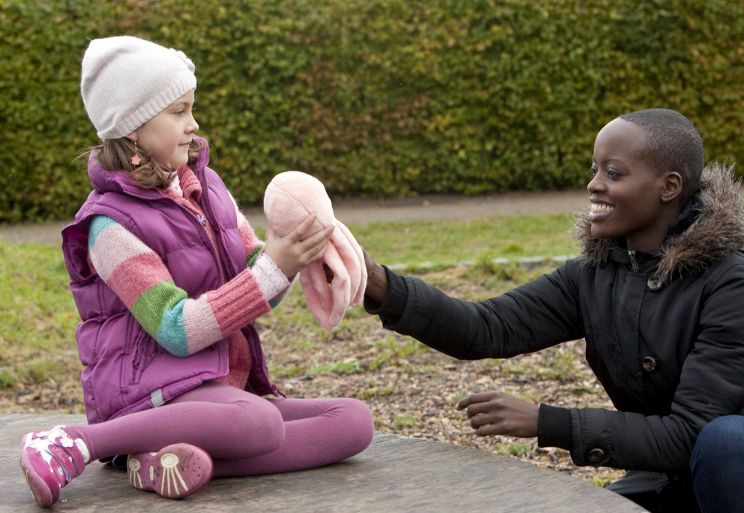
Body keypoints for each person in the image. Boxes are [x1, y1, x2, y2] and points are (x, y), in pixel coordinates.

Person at [19, 35, 374, 508]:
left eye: (192, 108)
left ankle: (159, 460)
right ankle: (77, 443)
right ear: (133, 129)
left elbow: (256, 273)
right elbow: (176, 329)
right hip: (149, 396)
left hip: (217, 389)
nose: (194, 123)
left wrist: (294, 256)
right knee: (260, 424)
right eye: (178, 111)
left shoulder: (206, 186)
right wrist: (273, 269)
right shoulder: (108, 227)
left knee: (352, 421)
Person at [363, 108, 744, 513]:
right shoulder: (594, 276)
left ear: (668, 187)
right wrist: (377, 282)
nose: (593, 185)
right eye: (594, 169)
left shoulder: (730, 282)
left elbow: (691, 435)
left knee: (726, 440)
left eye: (613, 173)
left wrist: (547, 421)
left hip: (730, 470)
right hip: (667, 475)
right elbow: (487, 327)